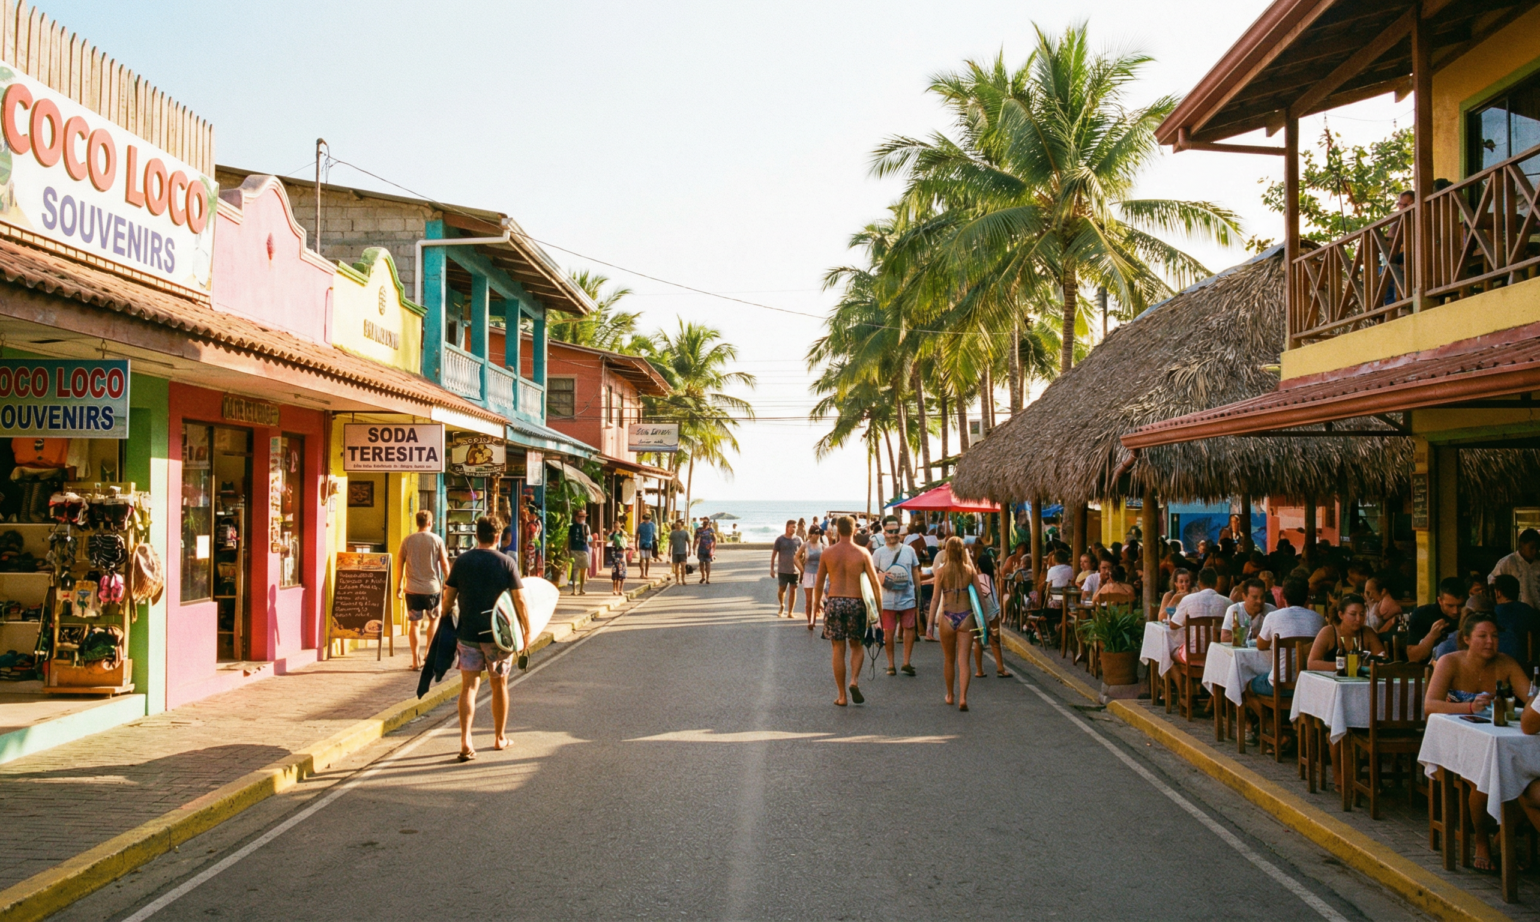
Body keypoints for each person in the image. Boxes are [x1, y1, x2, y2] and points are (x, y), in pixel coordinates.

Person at [1426, 611, 1533, 870]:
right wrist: (1469, 707)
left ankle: (1501, 837)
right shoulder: (1450, 661)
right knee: (1481, 782)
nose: (1490, 642)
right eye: (1482, 636)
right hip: (1455, 740)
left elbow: (1531, 698)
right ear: (1465, 639)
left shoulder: (1506, 663)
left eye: (1494, 636)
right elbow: (1429, 706)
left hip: (1491, 737)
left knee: (1526, 779)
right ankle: (1482, 841)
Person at [441, 516, 528, 763]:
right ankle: (499, 738)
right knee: (499, 684)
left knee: (468, 686)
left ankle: (466, 741)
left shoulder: (462, 561)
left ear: (476, 535)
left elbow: (448, 598)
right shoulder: (507, 563)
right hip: (497, 637)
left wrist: (445, 620)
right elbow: (520, 601)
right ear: (498, 536)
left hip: (468, 634)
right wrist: (527, 629)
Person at [1306, 594, 1384, 790]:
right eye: (1353, 614)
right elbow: (1312, 662)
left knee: (1371, 722)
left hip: (1362, 697)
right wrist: (1343, 665)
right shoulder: (1328, 632)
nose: (1358, 619)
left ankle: (1365, 776)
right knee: (1337, 725)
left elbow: (1383, 658)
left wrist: (1373, 660)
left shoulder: (1367, 634)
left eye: (1362, 614)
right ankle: (1340, 777)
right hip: (1330, 696)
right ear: (1340, 614)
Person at [811, 516, 882, 707]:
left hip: (834, 601)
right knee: (856, 645)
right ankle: (854, 681)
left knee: (837, 648)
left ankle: (842, 696)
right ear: (855, 531)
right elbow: (875, 585)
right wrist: (879, 613)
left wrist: (815, 605)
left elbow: (818, 583)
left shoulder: (828, 553)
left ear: (836, 531)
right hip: (856, 602)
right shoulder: (862, 553)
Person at [928, 534, 985, 711]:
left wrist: (930, 623)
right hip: (967, 617)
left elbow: (935, 598)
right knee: (964, 661)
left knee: (949, 659)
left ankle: (950, 695)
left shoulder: (941, 571)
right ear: (963, 551)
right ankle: (963, 698)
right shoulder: (969, 570)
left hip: (947, 617)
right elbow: (981, 598)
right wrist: (986, 622)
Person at [1251, 578, 1326, 697]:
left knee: (1249, 682)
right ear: (1307, 597)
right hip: (1308, 684)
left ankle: (1270, 715)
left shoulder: (1273, 616)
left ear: (1283, 597)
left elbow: (1261, 645)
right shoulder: (1319, 620)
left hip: (1280, 684)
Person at [397, 509, 450, 671]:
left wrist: (399, 585)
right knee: (434, 620)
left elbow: (400, 563)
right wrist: (449, 582)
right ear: (429, 523)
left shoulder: (407, 540)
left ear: (417, 523)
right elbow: (444, 563)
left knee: (414, 624)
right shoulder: (437, 540)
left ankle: (415, 659)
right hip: (432, 589)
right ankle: (428, 652)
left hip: (412, 589)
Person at [872, 516, 922, 677]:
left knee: (909, 629)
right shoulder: (878, 553)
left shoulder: (909, 550)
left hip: (907, 598)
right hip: (886, 600)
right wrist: (881, 578)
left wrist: (918, 594)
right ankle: (891, 664)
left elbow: (915, 572)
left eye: (895, 531)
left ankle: (906, 662)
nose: (893, 534)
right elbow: (872, 575)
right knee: (889, 633)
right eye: (889, 531)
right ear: (884, 532)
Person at [1407, 576, 1466, 662]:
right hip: (1429, 670)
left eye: (1460, 605)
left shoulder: (1470, 614)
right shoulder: (1422, 614)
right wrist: (1431, 636)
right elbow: (1413, 658)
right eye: (1450, 606)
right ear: (1440, 601)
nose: (1455, 611)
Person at [1491, 529, 1540, 609]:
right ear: (1521, 545)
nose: (1535, 551)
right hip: (1514, 610)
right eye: (1531, 548)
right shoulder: (1508, 562)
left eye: (1537, 548)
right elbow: (1492, 582)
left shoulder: (1538, 563)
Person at [1221, 578, 1275, 644]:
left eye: (1262, 597)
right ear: (1244, 596)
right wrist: (1251, 636)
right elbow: (1225, 638)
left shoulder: (1272, 611)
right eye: (1255, 597)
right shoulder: (1234, 610)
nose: (1259, 601)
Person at [771, 520, 802, 616]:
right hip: (783, 570)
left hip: (795, 571)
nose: (794, 529)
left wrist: (803, 569)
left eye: (795, 527)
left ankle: (790, 612)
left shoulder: (799, 540)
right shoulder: (780, 540)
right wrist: (772, 568)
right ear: (787, 527)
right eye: (792, 527)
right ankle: (782, 605)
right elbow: (774, 555)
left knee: (793, 590)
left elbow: (803, 555)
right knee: (782, 590)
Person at [797, 525, 825, 630]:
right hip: (808, 574)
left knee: (817, 600)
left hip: (819, 575)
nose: (818, 536)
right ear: (810, 534)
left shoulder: (822, 546)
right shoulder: (805, 545)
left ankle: (815, 618)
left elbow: (828, 559)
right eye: (816, 533)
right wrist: (802, 570)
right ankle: (810, 621)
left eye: (819, 533)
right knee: (809, 600)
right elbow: (796, 558)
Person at [567, 509, 593, 596]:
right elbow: (569, 539)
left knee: (584, 569)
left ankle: (581, 589)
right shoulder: (572, 527)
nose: (582, 518)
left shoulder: (586, 526)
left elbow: (589, 538)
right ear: (576, 517)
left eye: (583, 517)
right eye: (580, 516)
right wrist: (568, 549)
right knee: (574, 570)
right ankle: (574, 589)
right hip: (574, 549)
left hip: (584, 548)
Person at [668, 519, 691, 586]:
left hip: (682, 552)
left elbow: (688, 542)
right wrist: (669, 551)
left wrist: (689, 550)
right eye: (676, 525)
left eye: (679, 525)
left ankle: (683, 579)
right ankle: (677, 580)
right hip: (675, 552)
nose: (678, 526)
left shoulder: (685, 532)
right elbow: (670, 542)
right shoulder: (673, 533)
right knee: (676, 567)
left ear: (681, 525)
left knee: (683, 566)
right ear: (675, 525)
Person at [695, 516, 717, 585]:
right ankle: (703, 576)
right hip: (701, 549)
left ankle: (707, 578)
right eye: (704, 523)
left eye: (706, 523)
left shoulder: (711, 530)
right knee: (701, 563)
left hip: (708, 550)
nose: (705, 524)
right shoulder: (699, 530)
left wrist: (713, 548)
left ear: (708, 523)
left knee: (707, 563)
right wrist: (694, 546)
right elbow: (695, 537)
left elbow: (715, 539)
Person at [608, 525, 628, 595]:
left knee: (622, 577)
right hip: (616, 562)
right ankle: (615, 590)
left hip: (622, 562)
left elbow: (624, 554)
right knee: (615, 577)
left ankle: (620, 590)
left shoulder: (623, 545)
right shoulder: (613, 547)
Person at [636, 512, 656, 580]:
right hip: (642, 543)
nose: (647, 520)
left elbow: (653, 534)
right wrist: (636, 543)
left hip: (649, 543)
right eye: (645, 519)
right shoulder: (641, 525)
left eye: (648, 519)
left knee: (647, 559)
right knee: (642, 559)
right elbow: (637, 535)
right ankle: (642, 573)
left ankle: (646, 573)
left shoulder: (652, 525)